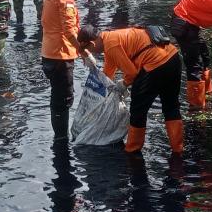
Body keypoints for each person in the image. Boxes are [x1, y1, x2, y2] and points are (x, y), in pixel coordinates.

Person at [77, 25, 183, 154]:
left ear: (92, 43)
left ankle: (133, 150)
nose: (91, 52)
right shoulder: (111, 37)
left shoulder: (111, 46)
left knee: (138, 110)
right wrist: (103, 97)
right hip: (173, 57)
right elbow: (108, 73)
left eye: (88, 49)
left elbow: (132, 74)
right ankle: (178, 149)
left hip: (155, 65)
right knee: (171, 106)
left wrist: (123, 84)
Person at [41, 0, 82, 142]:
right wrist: (84, 52)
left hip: (49, 53)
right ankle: (61, 140)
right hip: (60, 55)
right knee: (63, 99)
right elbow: (69, 31)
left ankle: (60, 138)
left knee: (57, 96)